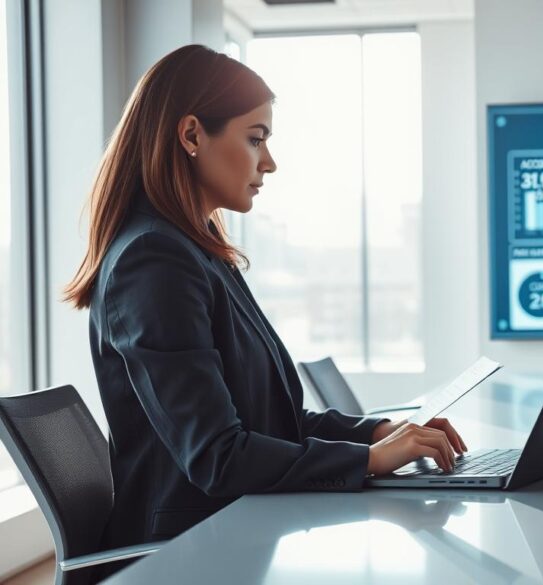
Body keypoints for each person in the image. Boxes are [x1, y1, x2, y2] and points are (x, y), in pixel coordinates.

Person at [62, 44, 465, 572]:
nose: (269, 162)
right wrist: (367, 461)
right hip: (186, 553)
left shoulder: (197, 250)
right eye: (255, 139)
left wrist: (377, 433)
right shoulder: (154, 259)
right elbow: (218, 456)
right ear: (190, 135)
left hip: (232, 531)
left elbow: (269, 420)